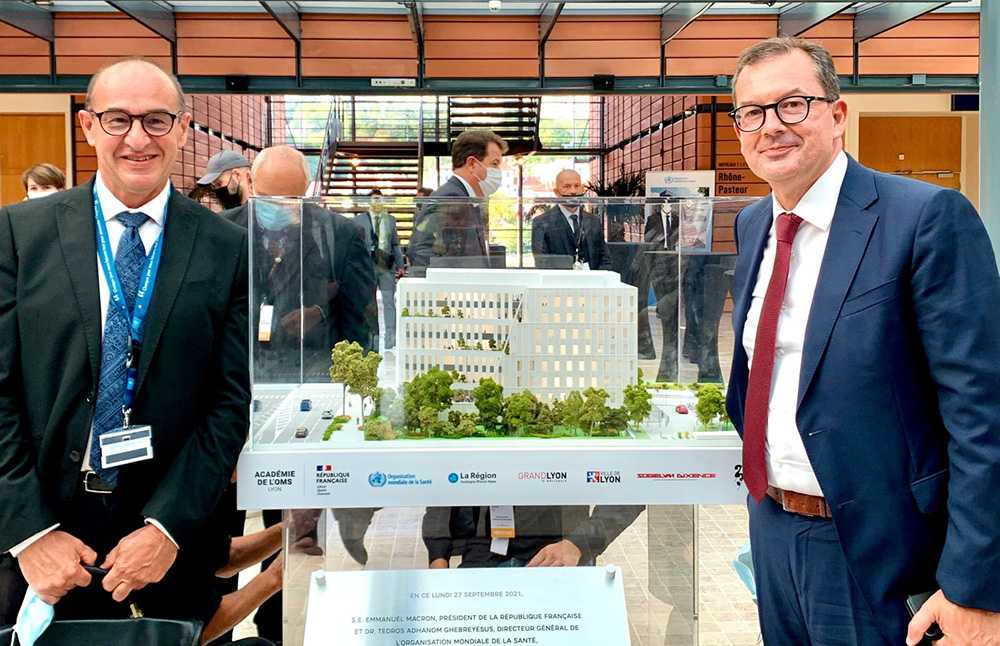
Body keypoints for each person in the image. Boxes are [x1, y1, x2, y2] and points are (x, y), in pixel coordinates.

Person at [724, 37, 1000, 645]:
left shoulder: (925, 218)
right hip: (772, 528)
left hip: (883, 550)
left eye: (792, 104)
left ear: (837, 114)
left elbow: (983, 414)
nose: (771, 126)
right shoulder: (753, 224)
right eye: (752, 112)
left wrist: (975, 587)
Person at [0, 57, 250, 626]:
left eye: (157, 120)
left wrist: (166, 528)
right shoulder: (18, 235)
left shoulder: (224, 245)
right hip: (40, 538)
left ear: (182, 129)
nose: (138, 139)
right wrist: (29, 533)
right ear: (89, 126)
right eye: (118, 119)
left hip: (164, 543)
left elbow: (229, 401)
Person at [407, 129, 507, 276]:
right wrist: (451, 286)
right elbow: (420, 251)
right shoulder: (451, 199)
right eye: (495, 163)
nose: (498, 171)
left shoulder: (468, 199)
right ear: (472, 164)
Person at [422, 505, 643, 569]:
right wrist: (438, 557)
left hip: (561, 556)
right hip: (487, 552)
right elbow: (444, 476)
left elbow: (631, 483)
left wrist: (579, 542)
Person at [354, 189, 405, 351]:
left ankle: (391, 339)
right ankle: (372, 339)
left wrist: (401, 265)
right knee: (370, 304)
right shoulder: (358, 220)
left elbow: (395, 244)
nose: (377, 202)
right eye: (374, 199)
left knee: (389, 302)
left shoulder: (390, 220)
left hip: (386, 266)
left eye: (379, 199)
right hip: (367, 266)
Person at [531, 169, 611, 270]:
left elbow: (605, 258)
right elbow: (542, 262)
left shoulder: (593, 221)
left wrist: (597, 278)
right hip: (559, 279)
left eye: (577, 186)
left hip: (592, 279)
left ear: (582, 189)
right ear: (556, 192)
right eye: (567, 186)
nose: (573, 191)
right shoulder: (541, 222)